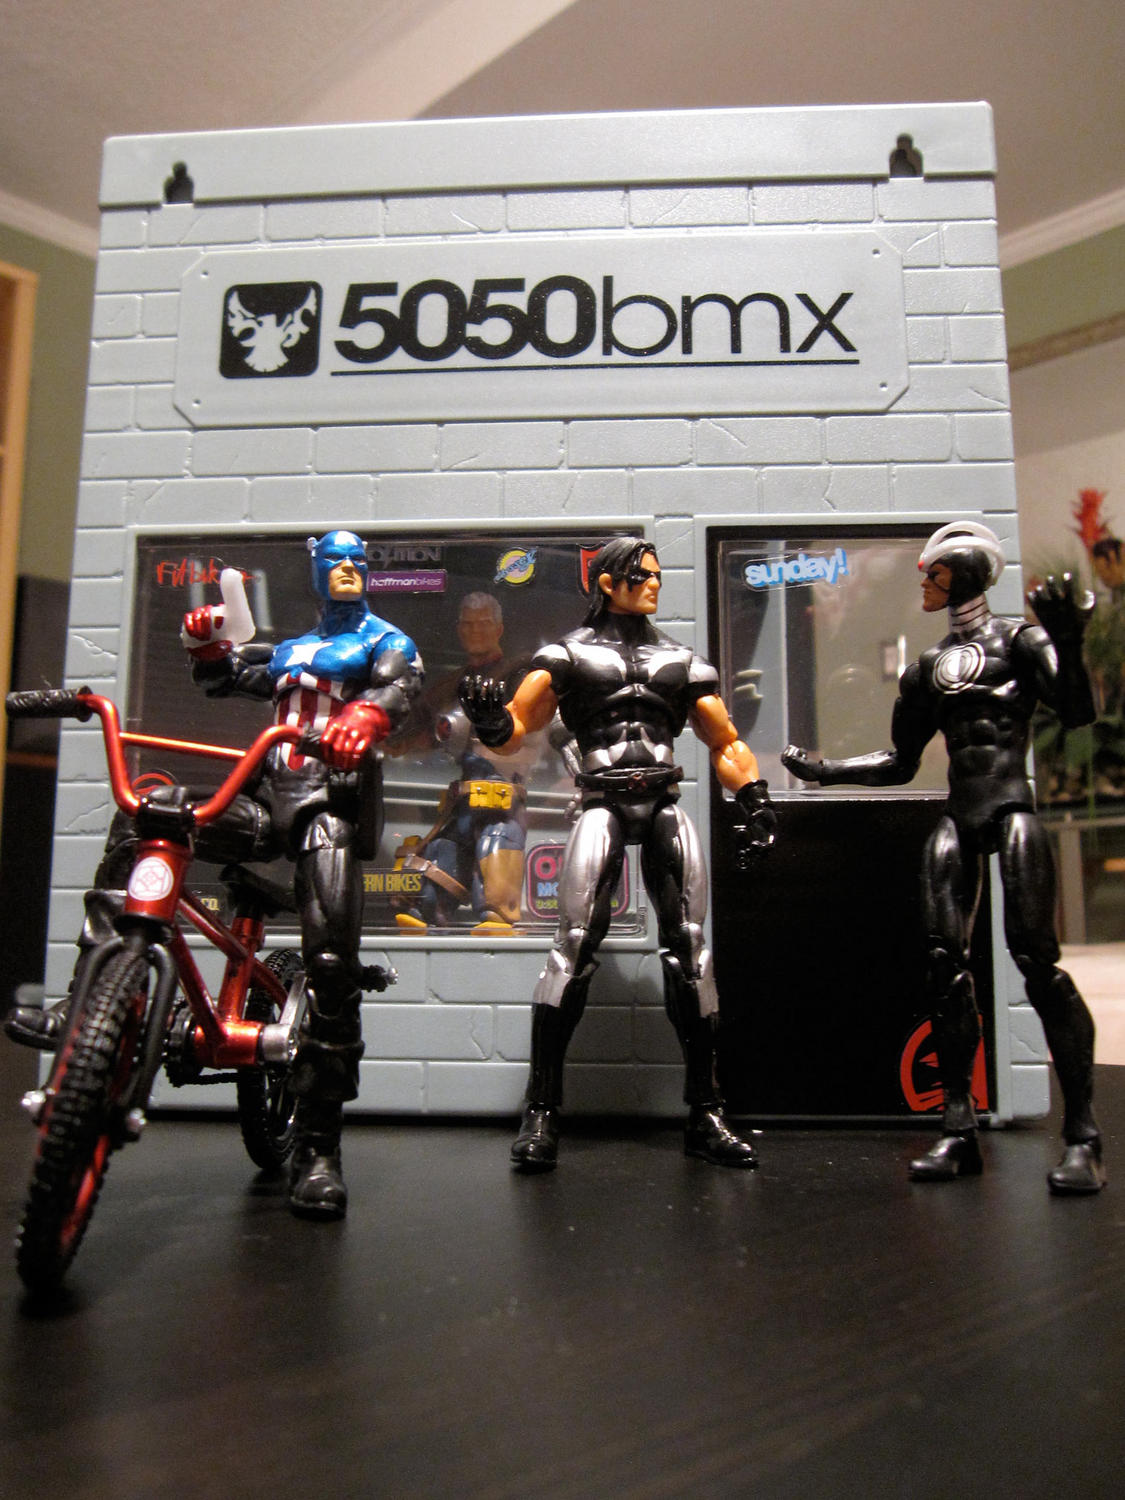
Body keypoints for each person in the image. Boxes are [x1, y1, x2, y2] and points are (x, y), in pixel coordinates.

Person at [8, 531, 423, 1220]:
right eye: (336, 561)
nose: (349, 569)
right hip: (265, 796)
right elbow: (224, 677)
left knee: (331, 964)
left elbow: (400, 686)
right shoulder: (292, 650)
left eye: (358, 561)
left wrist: (367, 713)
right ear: (317, 572)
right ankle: (82, 1001)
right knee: (148, 815)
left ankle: (319, 1149)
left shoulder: (384, 640)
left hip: (330, 805)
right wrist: (204, 644)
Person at [782, 521, 1105, 1194]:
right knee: (943, 969)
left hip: (1011, 810)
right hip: (959, 815)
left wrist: (1068, 641)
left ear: (961, 576)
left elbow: (1077, 711)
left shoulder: (1020, 642)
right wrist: (824, 771)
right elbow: (900, 762)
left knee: (1037, 964)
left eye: (933, 573)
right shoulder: (926, 668)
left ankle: (1082, 1136)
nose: (923, 584)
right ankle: (957, 1128)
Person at [461, 537, 776, 1172]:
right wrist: (491, 724)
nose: (655, 583)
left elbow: (725, 740)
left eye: (658, 574)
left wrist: (754, 796)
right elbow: (518, 726)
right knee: (571, 949)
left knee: (693, 953)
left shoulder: (679, 660)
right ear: (608, 583)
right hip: (601, 801)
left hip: (661, 801)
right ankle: (541, 1111)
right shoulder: (567, 656)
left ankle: (706, 1112)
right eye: (644, 575)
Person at [392, 592, 536, 935]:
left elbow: (543, 730)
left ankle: (498, 920)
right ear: (459, 630)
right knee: (439, 860)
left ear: (499, 628)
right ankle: (430, 914)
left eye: (483, 623)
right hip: (463, 798)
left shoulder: (520, 675)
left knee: (496, 857)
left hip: (503, 797)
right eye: (468, 624)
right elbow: (412, 735)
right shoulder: (449, 686)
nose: (475, 631)